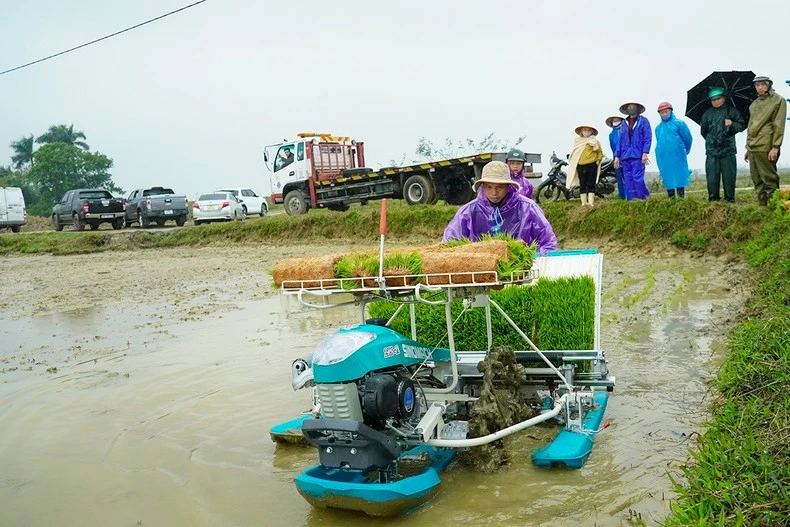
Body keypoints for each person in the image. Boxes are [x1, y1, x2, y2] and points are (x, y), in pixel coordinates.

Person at [443, 161, 558, 255]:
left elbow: (548, 242)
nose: (494, 192)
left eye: (500, 187)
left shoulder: (528, 208)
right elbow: (450, 244)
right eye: (489, 187)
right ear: (482, 187)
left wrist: (530, 259)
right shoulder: (468, 212)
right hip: (479, 270)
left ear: (508, 186)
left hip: (519, 270)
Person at [745, 73, 787, 206]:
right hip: (753, 146)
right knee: (757, 179)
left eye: (763, 84)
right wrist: (747, 147)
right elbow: (750, 126)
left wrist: (775, 147)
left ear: (769, 85)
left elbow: (778, 124)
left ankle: (774, 206)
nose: (760, 87)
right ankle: (762, 207)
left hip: (766, 145)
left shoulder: (778, 100)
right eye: (757, 85)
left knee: (769, 178)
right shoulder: (754, 104)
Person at [700, 87, 745, 203]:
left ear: (724, 98)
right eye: (713, 99)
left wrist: (732, 124)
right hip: (712, 152)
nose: (716, 101)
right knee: (712, 179)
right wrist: (712, 141)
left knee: (729, 177)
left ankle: (729, 200)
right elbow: (703, 131)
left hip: (728, 151)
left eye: (718, 98)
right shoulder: (707, 114)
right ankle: (713, 200)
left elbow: (741, 125)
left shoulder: (732, 111)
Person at [614, 102, 652, 200]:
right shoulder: (623, 123)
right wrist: (617, 156)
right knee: (628, 179)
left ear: (637, 108)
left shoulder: (643, 121)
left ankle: (643, 198)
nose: (631, 108)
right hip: (625, 155)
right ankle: (631, 200)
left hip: (637, 155)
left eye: (633, 106)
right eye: (629, 107)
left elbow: (647, 138)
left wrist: (645, 153)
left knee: (637, 178)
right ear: (626, 109)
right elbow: (620, 140)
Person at [655, 102, 693, 199]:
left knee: (679, 175)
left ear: (671, 111)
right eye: (661, 112)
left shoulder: (679, 124)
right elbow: (658, 141)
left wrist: (685, 150)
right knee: (668, 176)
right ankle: (671, 199)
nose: (664, 114)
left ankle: (681, 198)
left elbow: (687, 138)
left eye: (666, 111)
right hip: (664, 157)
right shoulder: (658, 128)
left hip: (678, 155)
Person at [566, 125, 604, 207]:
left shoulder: (594, 141)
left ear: (592, 132)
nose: (587, 132)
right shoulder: (577, 141)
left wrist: (597, 161)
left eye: (589, 130)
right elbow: (575, 153)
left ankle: (591, 202)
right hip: (581, 166)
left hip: (592, 165)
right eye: (585, 130)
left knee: (591, 183)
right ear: (581, 132)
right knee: (582, 184)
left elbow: (600, 152)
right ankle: (584, 202)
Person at [606, 115, 627, 199]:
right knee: (619, 178)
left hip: (626, 157)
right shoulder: (611, 135)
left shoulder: (626, 131)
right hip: (616, 158)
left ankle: (629, 195)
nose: (615, 122)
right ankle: (622, 196)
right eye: (614, 121)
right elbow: (613, 147)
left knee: (627, 177)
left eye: (617, 120)